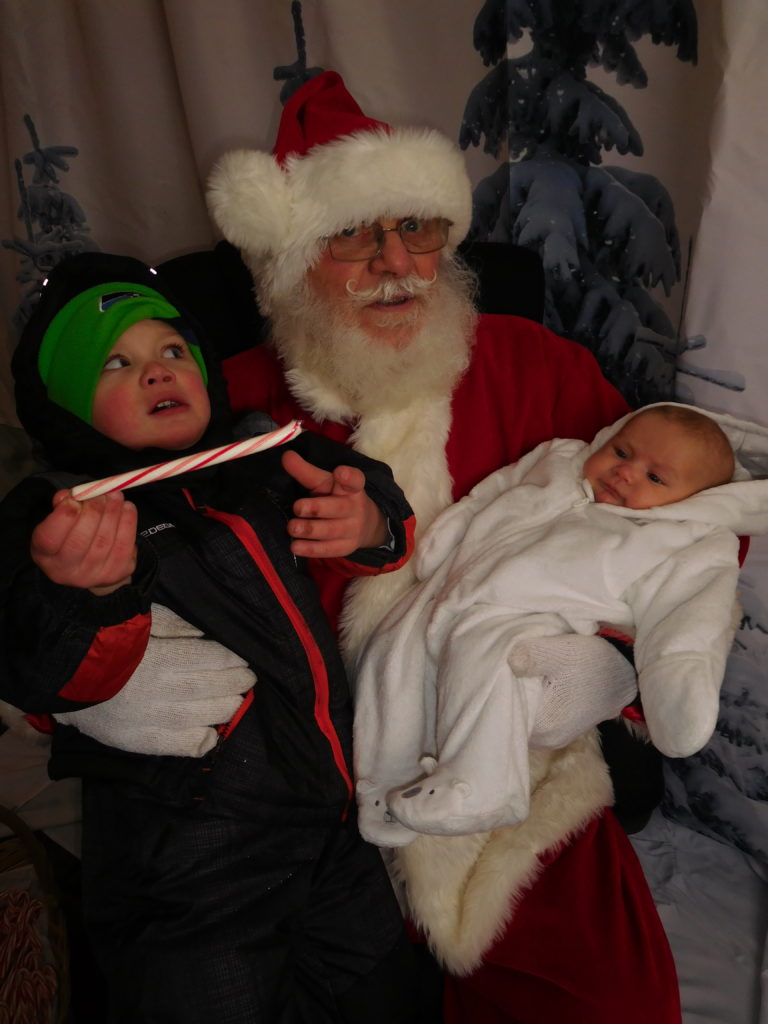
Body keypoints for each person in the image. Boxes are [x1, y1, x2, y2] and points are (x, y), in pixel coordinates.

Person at [200, 70, 683, 1022]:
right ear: (290, 261)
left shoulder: (534, 364)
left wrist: (605, 664)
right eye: (353, 234)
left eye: (415, 228)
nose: (394, 262)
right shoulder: (233, 404)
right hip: (314, 795)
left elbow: (682, 524)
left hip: (529, 774)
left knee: (608, 1003)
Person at [0, 250, 421, 1024]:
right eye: (115, 365)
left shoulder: (265, 455)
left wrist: (368, 521)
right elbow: (31, 664)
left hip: (331, 819)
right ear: (66, 407)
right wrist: (87, 592)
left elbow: (385, 508)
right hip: (188, 857)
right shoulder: (56, 516)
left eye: (170, 351)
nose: (157, 371)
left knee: (382, 993)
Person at [354, 402, 768, 846]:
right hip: (452, 592)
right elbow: (497, 490)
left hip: (542, 622)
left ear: (693, 499)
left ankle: (485, 784)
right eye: (622, 452)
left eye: (655, 477)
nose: (626, 472)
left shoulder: (686, 538)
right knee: (389, 656)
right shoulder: (560, 460)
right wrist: (450, 535)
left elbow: (687, 623)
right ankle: (385, 787)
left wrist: (680, 696)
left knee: (489, 656)